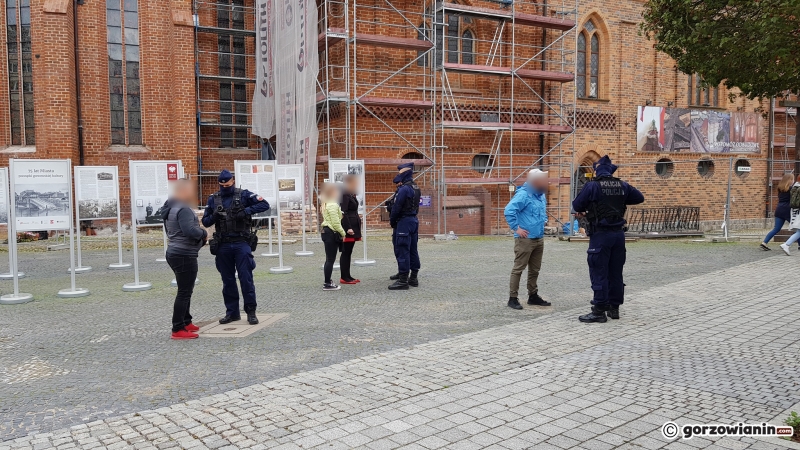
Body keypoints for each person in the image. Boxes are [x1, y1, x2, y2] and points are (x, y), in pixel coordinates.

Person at [572, 155, 644, 323]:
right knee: (615, 272)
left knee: (599, 271)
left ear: (597, 171)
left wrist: (589, 209)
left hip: (601, 235)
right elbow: (639, 197)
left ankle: (599, 310)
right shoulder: (622, 185)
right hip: (618, 235)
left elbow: (577, 205)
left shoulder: (592, 186)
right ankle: (614, 307)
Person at [202, 169, 270, 325]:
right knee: (228, 280)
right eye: (222, 185)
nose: (225, 187)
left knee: (246, 278)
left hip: (241, 243)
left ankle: (251, 312)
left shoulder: (243, 195)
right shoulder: (214, 199)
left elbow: (264, 204)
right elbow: (205, 222)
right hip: (223, 244)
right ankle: (232, 313)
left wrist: (245, 211)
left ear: (233, 181)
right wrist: (215, 216)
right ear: (219, 184)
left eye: (228, 184)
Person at [162, 179, 207, 340]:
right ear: (183, 191)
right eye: (190, 190)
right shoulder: (184, 209)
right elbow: (190, 231)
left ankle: (186, 321)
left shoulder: (170, 207)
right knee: (184, 292)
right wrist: (203, 233)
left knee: (186, 289)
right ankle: (178, 328)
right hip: (184, 254)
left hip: (174, 251)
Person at [504, 169, 552, 310]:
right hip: (525, 239)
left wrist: (544, 221)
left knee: (535, 270)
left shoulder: (541, 195)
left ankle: (533, 295)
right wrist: (516, 228)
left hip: (538, 238)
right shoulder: (524, 195)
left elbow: (542, 212)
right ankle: (512, 298)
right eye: (543, 180)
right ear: (535, 181)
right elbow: (509, 210)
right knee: (518, 269)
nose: (546, 183)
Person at [387, 163, 421, 290]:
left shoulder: (404, 189)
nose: (398, 174)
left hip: (403, 222)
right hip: (413, 221)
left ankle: (403, 280)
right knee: (412, 250)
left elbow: (396, 208)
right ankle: (413, 277)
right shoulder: (415, 187)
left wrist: (392, 220)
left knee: (402, 250)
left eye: (400, 172)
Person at [320, 183, 346, 290]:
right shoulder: (332, 205)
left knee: (329, 259)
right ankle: (327, 283)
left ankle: (328, 281)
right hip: (331, 233)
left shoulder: (326, 204)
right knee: (330, 259)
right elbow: (335, 223)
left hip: (327, 232)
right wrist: (343, 233)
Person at [339, 174, 362, 285]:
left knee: (349, 252)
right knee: (345, 252)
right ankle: (344, 277)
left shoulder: (351, 195)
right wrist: (348, 228)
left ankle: (348, 276)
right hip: (349, 228)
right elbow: (344, 213)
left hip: (354, 226)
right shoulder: (344, 195)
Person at [761, 173, 794, 250]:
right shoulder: (791, 189)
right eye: (792, 179)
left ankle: (764, 242)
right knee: (797, 229)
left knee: (776, 229)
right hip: (788, 210)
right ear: (789, 180)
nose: (793, 181)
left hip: (779, 209)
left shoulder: (780, 188)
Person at [780, 175, 800, 256]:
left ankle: (787, 244)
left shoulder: (794, 187)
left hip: (795, 211)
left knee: (799, 231)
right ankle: (787, 244)